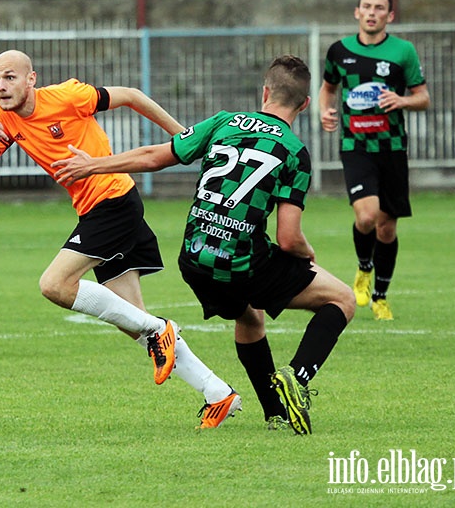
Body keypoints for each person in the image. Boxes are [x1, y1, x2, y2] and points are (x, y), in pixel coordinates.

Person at [52, 55, 355, 435]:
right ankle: (297, 376)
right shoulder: (294, 151)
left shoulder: (223, 122)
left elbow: (152, 156)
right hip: (241, 261)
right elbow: (288, 237)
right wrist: (305, 254)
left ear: (265, 92)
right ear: (305, 105)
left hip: (194, 259)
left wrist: (92, 165)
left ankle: (275, 412)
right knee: (342, 299)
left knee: (248, 316)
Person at [0, 49, 241, 429]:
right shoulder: (0, 116)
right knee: (134, 324)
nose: (1, 86)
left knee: (54, 284)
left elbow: (131, 94)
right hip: (96, 210)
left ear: (31, 79)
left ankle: (160, 327)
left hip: (113, 202)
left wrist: (183, 136)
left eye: (10, 77)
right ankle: (218, 393)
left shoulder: (67, 96)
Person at [319, 0, 430, 321]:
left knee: (386, 228)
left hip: (392, 148)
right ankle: (363, 268)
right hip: (356, 147)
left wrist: (403, 100)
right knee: (366, 216)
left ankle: (381, 296)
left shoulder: (403, 52)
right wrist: (324, 111)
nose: (371, 12)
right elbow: (328, 89)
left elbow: (423, 97)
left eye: (379, 8)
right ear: (357, 12)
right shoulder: (339, 51)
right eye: (366, 6)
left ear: (389, 15)